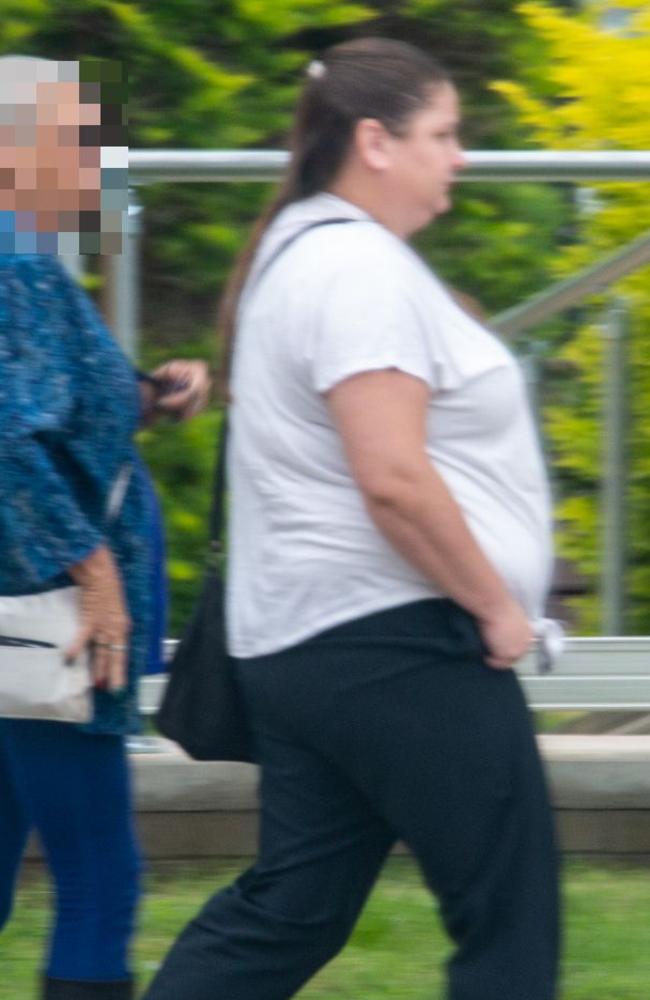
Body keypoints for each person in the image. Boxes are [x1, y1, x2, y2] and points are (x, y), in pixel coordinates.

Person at [144, 37, 560, 1000]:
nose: (459, 156)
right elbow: (393, 478)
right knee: (511, 917)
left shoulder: (308, 254)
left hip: (313, 646)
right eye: (444, 134)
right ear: (375, 141)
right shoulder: (354, 269)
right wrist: (496, 608)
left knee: (287, 914)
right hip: (394, 646)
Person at [0, 56, 210, 1000]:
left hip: (21, 615)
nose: (101, 161)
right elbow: (7, 437)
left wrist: (150, 396)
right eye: (81, 140)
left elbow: (47, 405)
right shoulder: (18, 266)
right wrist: (97, 575)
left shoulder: (24, 261)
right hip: (49, 620)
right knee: (100, 880)